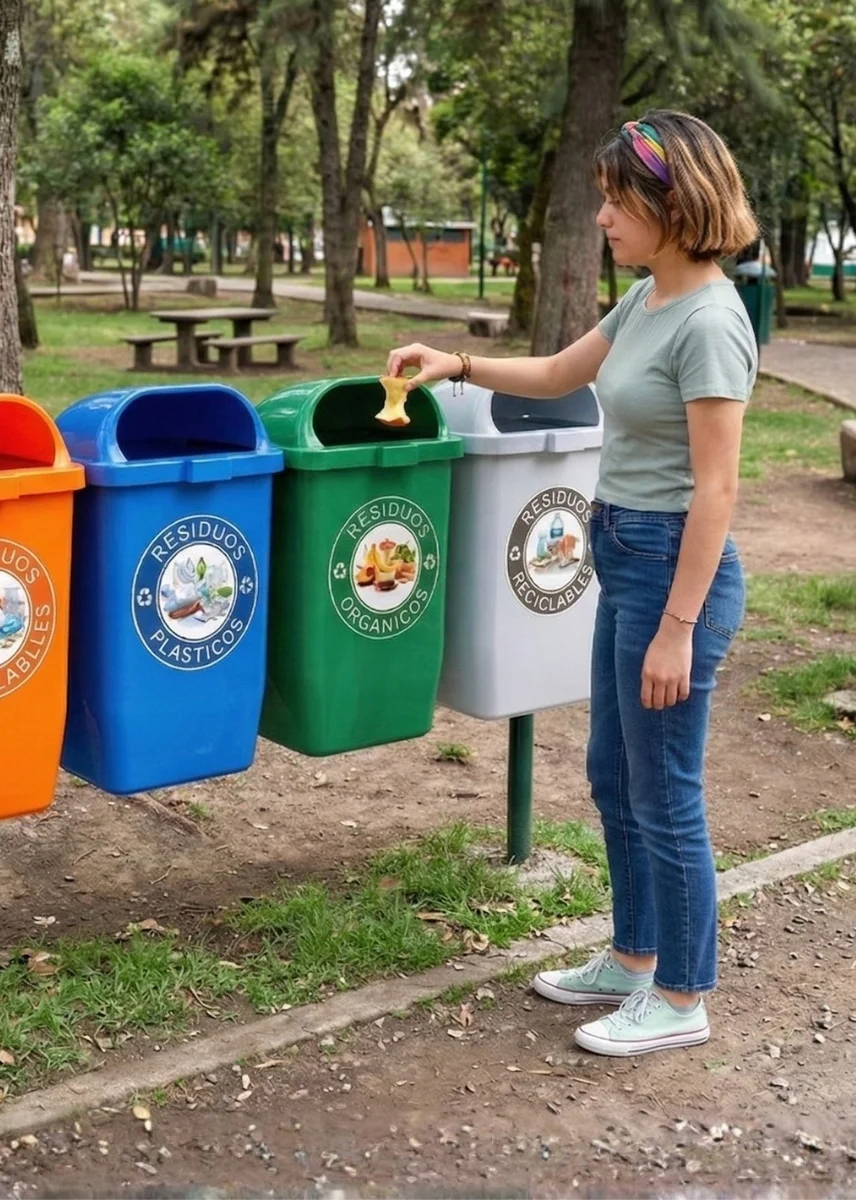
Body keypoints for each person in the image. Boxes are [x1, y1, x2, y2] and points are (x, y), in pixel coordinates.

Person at [387, 111, 758, 1058]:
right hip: (621, 555)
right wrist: (456, 363)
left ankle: (681, 995)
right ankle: (632, 958)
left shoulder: (712, 321)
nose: (600, 215)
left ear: (671, 203)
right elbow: (558, 372)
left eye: (614, 197)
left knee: (665, 787)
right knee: (612, 771)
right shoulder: (647, 303)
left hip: (676, 571)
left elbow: (717, 489)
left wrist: (678, 626)